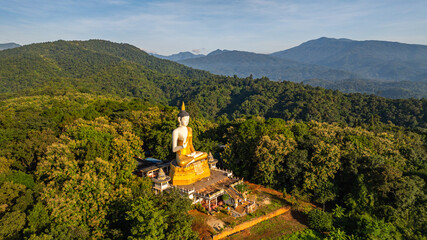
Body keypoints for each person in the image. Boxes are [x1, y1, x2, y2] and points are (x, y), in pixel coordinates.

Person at [172, 102, 208, 167]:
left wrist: (193, 152)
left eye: (188, 120)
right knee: (182, 163)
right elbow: (174, 149)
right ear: (179, 119)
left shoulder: (189, 129)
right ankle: (192, 160)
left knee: (205, 154)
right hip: (181, 155)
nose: (187, 122)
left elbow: (190, 143)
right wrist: (182, 147)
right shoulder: (176, 131)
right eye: (185, 119)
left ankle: (192, 160)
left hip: (190, 154)